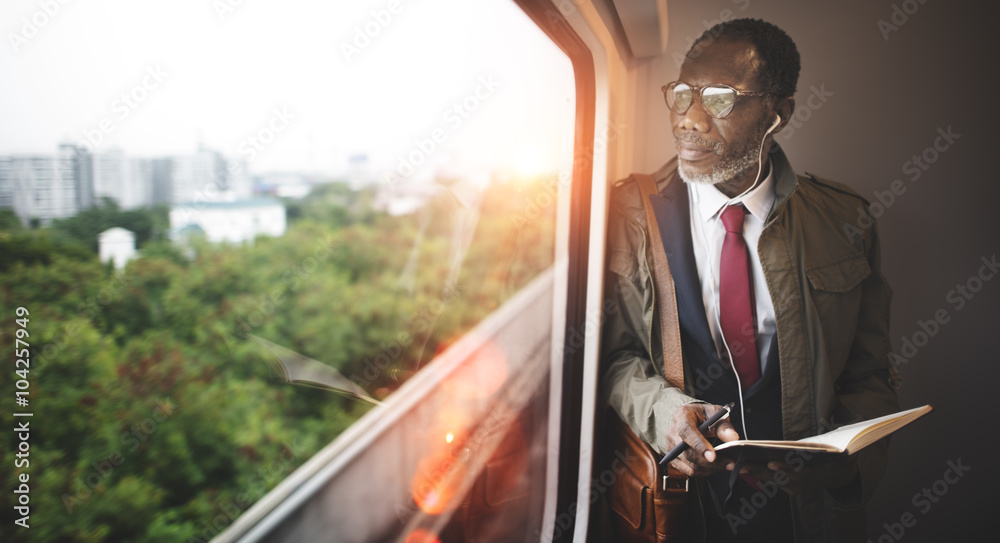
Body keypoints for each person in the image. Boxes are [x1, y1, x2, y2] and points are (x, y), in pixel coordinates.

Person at [600, 18, 901, 542]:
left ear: (776, 113)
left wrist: (848, 465)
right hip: (672, 512)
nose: (688, 119)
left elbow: (868, 375)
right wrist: (666, 413)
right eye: (683, 95)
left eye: (718, 99)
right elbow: (610, 361)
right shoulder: (623, 214)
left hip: (802, 519)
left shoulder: (845, 222)